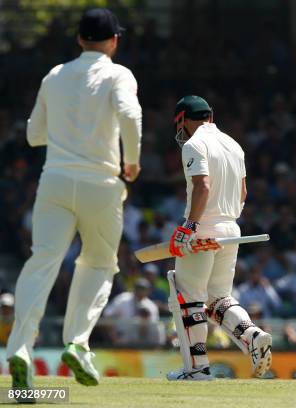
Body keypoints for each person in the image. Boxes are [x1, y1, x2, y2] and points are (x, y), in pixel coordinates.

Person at [6, 8, 142, 389]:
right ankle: (78, 343)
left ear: (79, 39)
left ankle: (19, 348)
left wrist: (69, 133)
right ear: (114, 41)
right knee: (98, 263)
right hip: (101, 182)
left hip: (56, 182)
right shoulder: (119, 74)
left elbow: (35, 135)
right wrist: (131, 161)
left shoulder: (55, 75)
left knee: (42, 262)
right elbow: (130, 115)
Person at [165, 95, 272, 381]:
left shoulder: (194, 144)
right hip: (231, 229)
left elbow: (202, 186)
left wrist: (190, 226)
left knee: (188, 298)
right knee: (217, 301)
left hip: (203, 230)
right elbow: (243, 193)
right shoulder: (233, 145)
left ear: (184, 119)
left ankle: (196, 369)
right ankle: (252, 335)